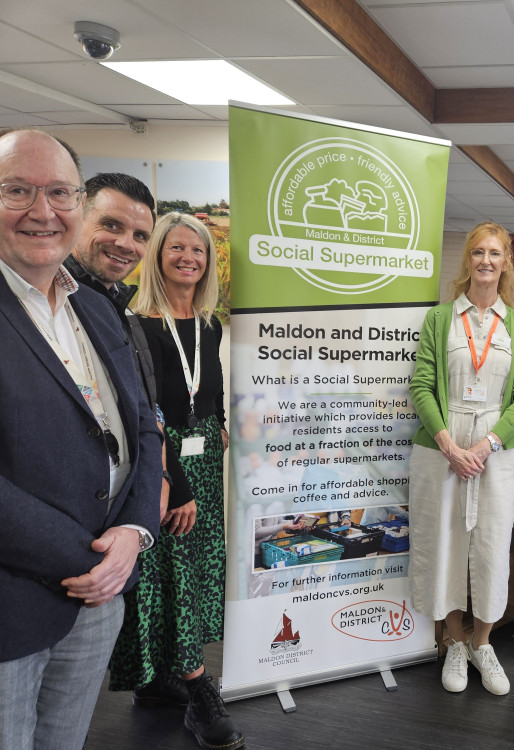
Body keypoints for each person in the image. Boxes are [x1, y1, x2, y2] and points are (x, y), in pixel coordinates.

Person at [0, 128, 161, 748]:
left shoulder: (93, 309)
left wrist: (135, 531)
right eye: (18, 190)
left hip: (99, 601)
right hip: (14, 606)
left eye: (60, 192)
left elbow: (142, 426)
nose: (43, 211)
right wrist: (93, 560)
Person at [109, 212, 243, 748]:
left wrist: (222, 422)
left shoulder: (208, 322)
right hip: (166, 466)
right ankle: (198, 690)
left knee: (196, 567)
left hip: (207, 454)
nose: (189, 258)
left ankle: (163, 681)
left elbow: (208, 387)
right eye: (177, 248)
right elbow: (147, 413)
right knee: (173, 573)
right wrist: (177, 483)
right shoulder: (137, 324)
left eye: (199, 251)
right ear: (157, 255)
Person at [409, 221, 514, 696]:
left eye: (495, 254)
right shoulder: (441, 319)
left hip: (496, 450)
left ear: (507, 263)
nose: (486, 261)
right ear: (468, 260)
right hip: (442, 446)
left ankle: (483, 643)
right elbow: (421, 385)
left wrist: (484, 446)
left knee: (488, 547)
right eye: (478, 252)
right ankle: (454, 642)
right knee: (445, 545)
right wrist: (450, 445)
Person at [66, 172, 194, 528]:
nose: (126, 244)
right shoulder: (50, 304)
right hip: (73, 517)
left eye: (140, 236)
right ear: (76, 216)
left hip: (120, 512)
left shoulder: (122, 311)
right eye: (111, 225)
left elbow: (146, 412)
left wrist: (163, 480)